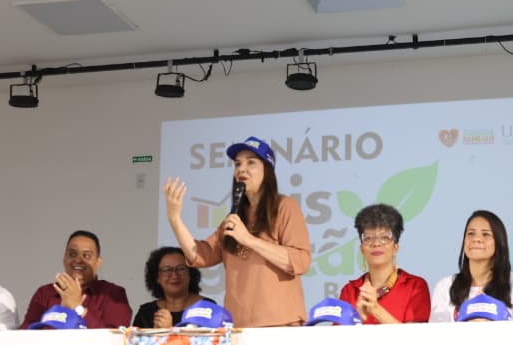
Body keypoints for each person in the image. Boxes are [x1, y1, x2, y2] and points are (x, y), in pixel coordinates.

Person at [164, 137, 311, 327]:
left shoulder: (285, 207)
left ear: (267, 170)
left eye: (251, 162)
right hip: (238, 325)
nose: (241, 169)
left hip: (280, 323)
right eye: (237, 164)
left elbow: (300, 260)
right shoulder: (233, 218)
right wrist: (175, 219)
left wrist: (249, 240)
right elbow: (200, 255)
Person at [429, 210, 513, 322]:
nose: (476, 239)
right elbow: (434, 336)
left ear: (499, 242)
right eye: (471, 233)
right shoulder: (445, 286)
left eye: (486, 234)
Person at [20, 231, 133, 329]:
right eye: (72, 254)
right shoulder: (45, 293)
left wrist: (78, 308)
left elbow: (116, 339)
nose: (78, 260)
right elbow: (25, 334)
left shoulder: (113, 294)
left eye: (86, 255)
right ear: (64, 258)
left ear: (98, 262)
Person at [338, 204, 431, 324]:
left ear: (396, 248)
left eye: (385, 238)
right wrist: (358, 318)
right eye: (368, 238)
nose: (376, 243)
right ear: (362, 249)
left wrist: (375, 309)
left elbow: (415, 340)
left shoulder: (415, 286)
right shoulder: (349, 291)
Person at [131, 246, 213, 329]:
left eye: (181, 268)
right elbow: (133, 341)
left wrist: (169, 330)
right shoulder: (146, 313)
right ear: (157, 278)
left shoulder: (207, 307)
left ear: (190, 274)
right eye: (166, 270)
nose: (174, 275)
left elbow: (212, 341)